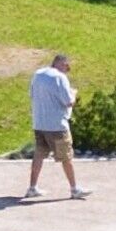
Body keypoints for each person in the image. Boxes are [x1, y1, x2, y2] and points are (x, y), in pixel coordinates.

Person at [23, 51, 83, 200]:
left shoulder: (38, 74)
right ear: (60, 63)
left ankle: (32, 187)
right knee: (66, 157)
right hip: (57, 126)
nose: (66, 70)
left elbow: (31, 94)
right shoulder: (60, 78)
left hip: (40, 123)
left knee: (39, 154)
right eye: (66, 66)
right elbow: (68, 101)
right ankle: (74, 189)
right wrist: (74, 94)